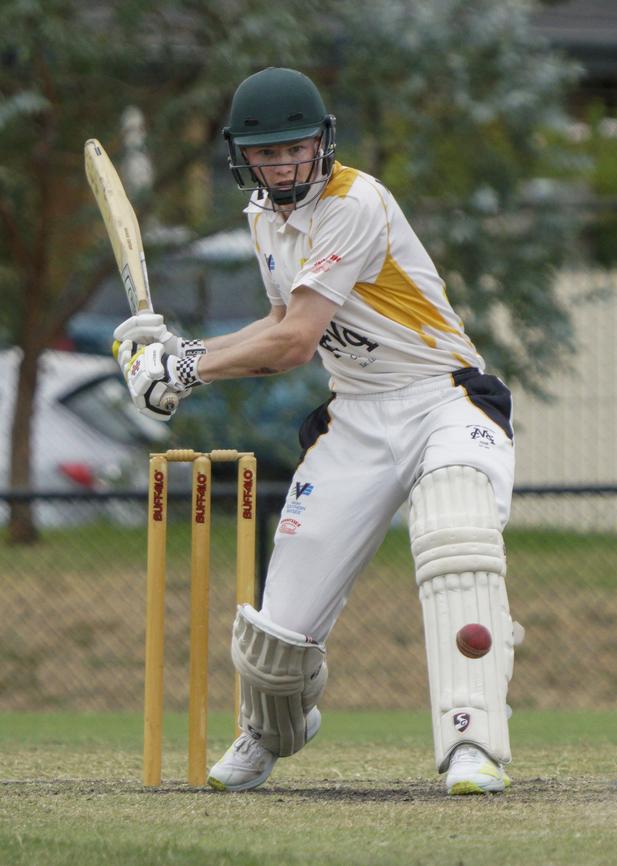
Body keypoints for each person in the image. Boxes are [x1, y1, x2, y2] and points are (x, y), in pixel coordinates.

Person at [114, 67, 518, 796]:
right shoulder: (263, 218)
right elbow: (276, 326)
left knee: (457, 537)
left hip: (442, 399)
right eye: (267, 153)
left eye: (295, 148)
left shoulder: (355, 202)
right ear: (244, 155)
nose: (282, 164)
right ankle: (270, 732)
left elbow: (296, 342)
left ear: (322, 144)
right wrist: (173, 355)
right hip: (355, 417)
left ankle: (473, 742)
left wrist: (185, 366)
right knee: (277, 637)